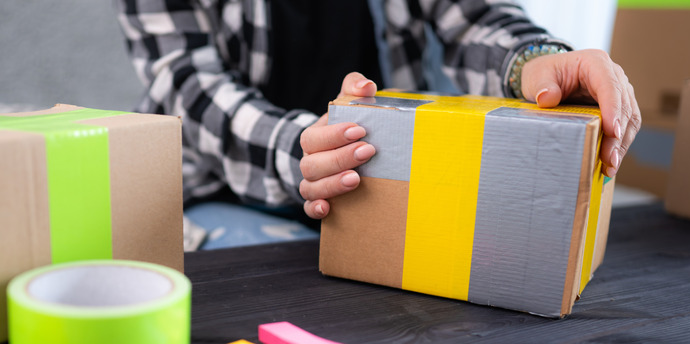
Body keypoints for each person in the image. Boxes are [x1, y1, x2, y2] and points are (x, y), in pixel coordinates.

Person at [115, 0, 640, 223]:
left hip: (385, 177)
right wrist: (302, 148)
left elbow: (474, 16)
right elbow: (187, 82)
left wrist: (536, 62)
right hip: (225, 187)